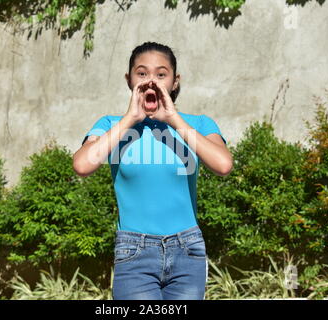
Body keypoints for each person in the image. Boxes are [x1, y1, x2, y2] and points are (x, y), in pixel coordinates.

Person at [73, 41, 233, 300]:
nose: (151, 81)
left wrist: (173, 120)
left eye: (161, 74)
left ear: (174, 81)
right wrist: (130, 119)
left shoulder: (198, 124)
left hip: (187, 250)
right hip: (134, 251)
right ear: (129, 80)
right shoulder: (112, 125)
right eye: (142, 73)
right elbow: (82, 165)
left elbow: (223, 165)